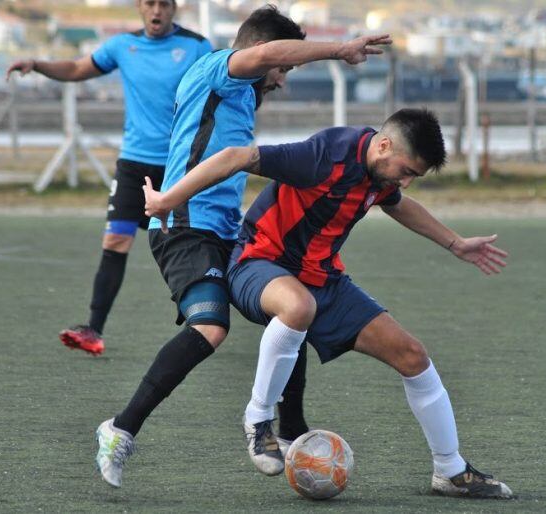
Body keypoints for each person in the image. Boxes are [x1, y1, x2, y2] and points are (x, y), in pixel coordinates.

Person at [144, 108, 513, 499]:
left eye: (413, 177)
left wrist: (454, 243)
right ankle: (258, 420)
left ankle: (450, 470)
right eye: (406, 171)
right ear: (384, 145)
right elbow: (238, 157)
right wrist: (169, 200)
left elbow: (397, 203)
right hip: (259, 263)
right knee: (298, 307)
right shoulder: (325, 156)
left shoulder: (381, 169)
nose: (405, 181)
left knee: (413, 356)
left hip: (323, 279)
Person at [93, 5, 392, 487]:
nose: (282, 80)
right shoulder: (218, 70)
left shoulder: (239, 96)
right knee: (210, 327)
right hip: (185, 225)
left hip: (226, 233)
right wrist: (339, 49)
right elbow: (266, 54)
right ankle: (120, 429)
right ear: (259, 56)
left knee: (294, 307)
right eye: (283, 70)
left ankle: (291, 429)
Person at [6, 0, 212, 356]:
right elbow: (76, 67)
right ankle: (93, 329)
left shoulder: (197, 47)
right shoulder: (122, 46)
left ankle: (214, 316)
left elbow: (221, 87)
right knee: (116, 240)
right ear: (140, 8)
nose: (156, 11)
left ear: (175, 8)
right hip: (133, 163)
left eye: (164, 4)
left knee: (186, 243)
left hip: (179, 164)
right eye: (150, 4)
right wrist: (37, 64)